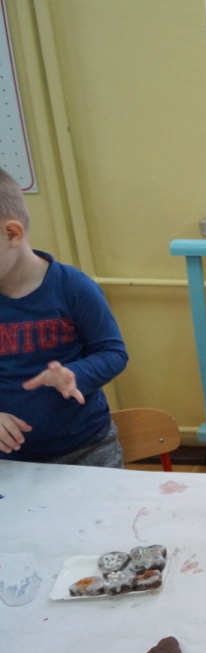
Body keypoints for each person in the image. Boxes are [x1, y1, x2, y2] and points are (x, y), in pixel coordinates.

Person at [0, 168, 129, 467]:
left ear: (12, 234)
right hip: (9, 460)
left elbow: (113, 353)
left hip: (86, 449)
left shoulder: (74, 287)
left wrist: (75, 374)